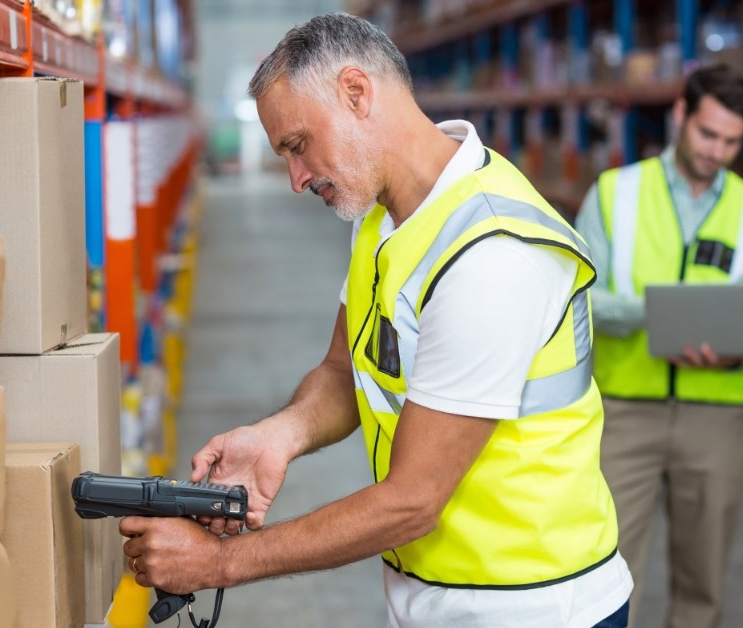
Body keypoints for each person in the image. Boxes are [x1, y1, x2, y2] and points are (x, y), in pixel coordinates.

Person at [118, 13, 633, 627]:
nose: (295, 178)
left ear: (357, 93)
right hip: (430, 593)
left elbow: (412, 502)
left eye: (298, 145)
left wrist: (220, 564)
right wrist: (281, 435)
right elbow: (345, 371)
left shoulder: (492, 255)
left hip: (532, 603)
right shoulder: (383, 220)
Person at [573, 64, 743, 628]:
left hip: (715, 418)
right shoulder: (614, 193)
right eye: (707, 134)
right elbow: (575, 304)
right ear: (680, 116)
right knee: (604, 577)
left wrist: (738, 352)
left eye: (732, 142)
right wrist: (659, 314)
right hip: (624, 411)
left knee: (703, 583)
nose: (717, 151)